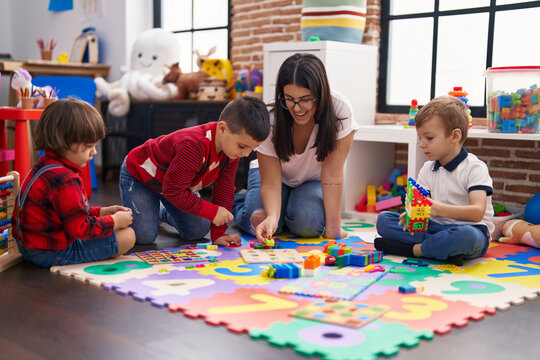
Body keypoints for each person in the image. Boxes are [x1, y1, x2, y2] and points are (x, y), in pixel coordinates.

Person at [232, 53, 358, 242]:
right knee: (259, 225)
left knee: (308, 224)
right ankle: (240, 201)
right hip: (273, 179)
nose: (297, 108)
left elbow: (332, 175)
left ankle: (285, 209)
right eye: (289, 99)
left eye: (306, 99)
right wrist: (272, 218)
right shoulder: (272, 118)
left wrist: (334, 229)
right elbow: (272, 182)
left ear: (320, 94)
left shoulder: (340, 110)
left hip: (312, 181)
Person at [119, 96, 270, 247]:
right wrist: (211, 211)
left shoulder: (232, 152)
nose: (245, 154)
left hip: (174, 185)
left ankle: (159, 210)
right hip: (141, 177)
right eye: (243, 146)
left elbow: (224, 190)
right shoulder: (193, 146)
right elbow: (173, 191)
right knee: (144, 236)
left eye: (251, 148)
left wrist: (219, 233)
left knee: (198, 229)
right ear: (222, 129)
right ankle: (148, 207)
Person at [12, 98, 135, 267]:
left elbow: (70, 212)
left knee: (117, 230)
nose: (94, 152)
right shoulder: (65, 179)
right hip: (50, 253)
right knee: (128, 236)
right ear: (64, 143)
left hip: (28, 246)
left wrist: (103, 212)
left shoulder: (44, 164)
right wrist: (115, 221)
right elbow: (81, 229)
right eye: (89, 146)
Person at [375, 96, 495, 266]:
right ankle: (440, 249)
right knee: (384, 220)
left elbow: (477, 212)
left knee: (466, 237)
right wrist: (411, 216)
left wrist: (440, 210)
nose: (422, 145)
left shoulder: (475, 168)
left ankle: (413, 250)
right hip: (433, 228)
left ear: (454, 136)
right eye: (420, 138)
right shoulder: (427, 168)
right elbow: (421, 207)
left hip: (470, 229)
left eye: (429, 138)